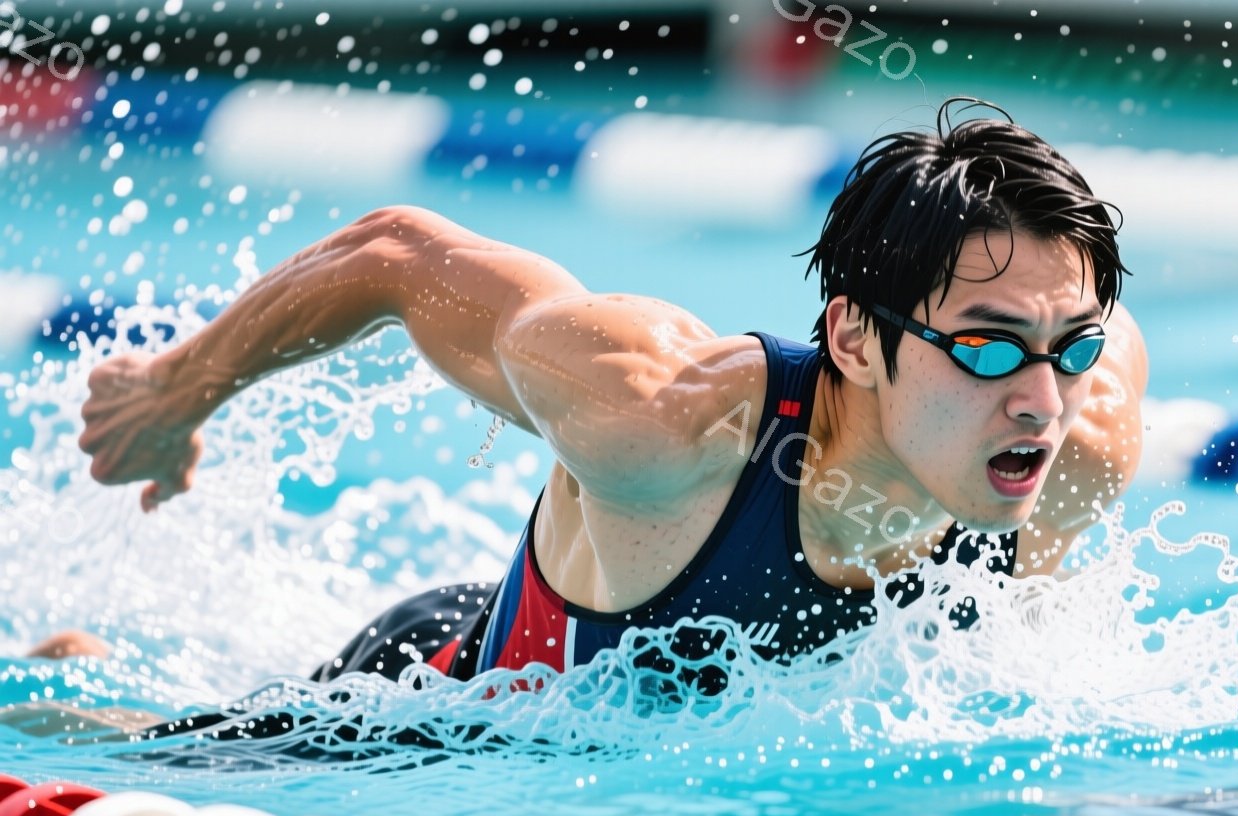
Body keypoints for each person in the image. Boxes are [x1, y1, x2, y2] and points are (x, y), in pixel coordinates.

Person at [50, 97, 1147, 706]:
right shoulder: (662, 419)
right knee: (127, 751)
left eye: (1072, 346)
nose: (1040, 401)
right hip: (439, 710)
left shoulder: (1079, 444)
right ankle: (84, 677)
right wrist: (172, 388)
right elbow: (394, 254)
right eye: (986, 349)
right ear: (854, 336)